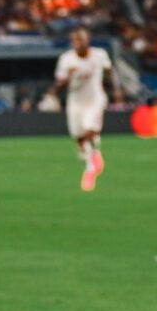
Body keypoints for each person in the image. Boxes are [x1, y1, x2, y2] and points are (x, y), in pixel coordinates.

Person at [49, 28, 123, 192]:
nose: (77, 43)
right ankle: (94, 154)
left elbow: (110, 71)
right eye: (74, 41)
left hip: (95, 99)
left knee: (90, 129)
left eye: (80, 40)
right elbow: (58, 85)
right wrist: (68, 77)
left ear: (87, 40)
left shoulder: (99, 55)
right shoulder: (66, 59)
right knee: (79, 138)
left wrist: (117, 89)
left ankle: (90, 169)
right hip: (75, 102)